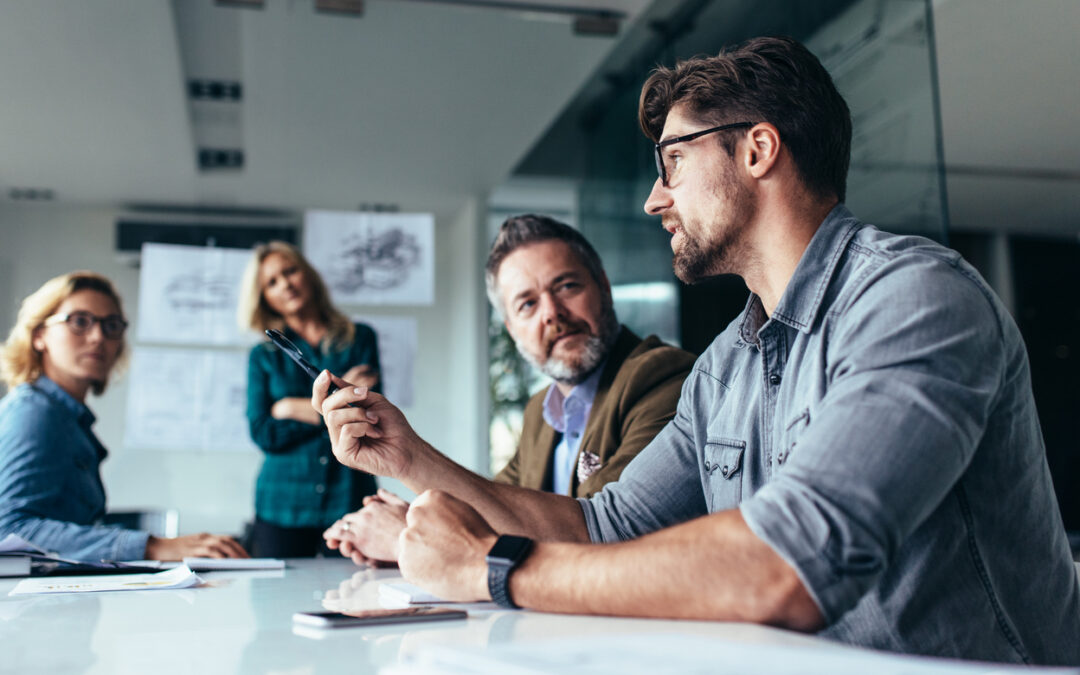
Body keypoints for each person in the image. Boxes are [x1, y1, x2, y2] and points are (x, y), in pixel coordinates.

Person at [313, 36, 1080, 664]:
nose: (655, 198)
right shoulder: (725, 365)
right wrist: (408, 458)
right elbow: (601, 526)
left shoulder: (915, 298)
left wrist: (490, 569)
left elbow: (788, 565)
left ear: (757, 150)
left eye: (673, 160)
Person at [323, 215, 695, 564]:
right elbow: (494, 510)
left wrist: (408, 535)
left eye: (566, 286)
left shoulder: (663, 378)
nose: (551, 312)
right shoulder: (541, 411)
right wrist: (415, 517)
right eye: (527, 304)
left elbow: (599, 535)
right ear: (511, 328)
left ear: (604, 287)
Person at [0, 271, 248, 561]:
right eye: (79, 321)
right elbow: (9, 530)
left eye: (111, 325)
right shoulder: (34, 413)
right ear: (39, 335)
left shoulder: (67, 418)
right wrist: (152, 546)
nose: (98, 337)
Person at [239, 241, 381, 557]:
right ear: (264, 298)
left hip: (348, 496)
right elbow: (263, 432)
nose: (285, 284)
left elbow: (367, 416)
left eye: (290, 271)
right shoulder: (263, 357)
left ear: (308, 275)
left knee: (354, 595)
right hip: (282, 504)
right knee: (275, 602)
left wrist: (289, 408)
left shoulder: (360, 339)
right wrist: (334, 409)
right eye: (272, 282)